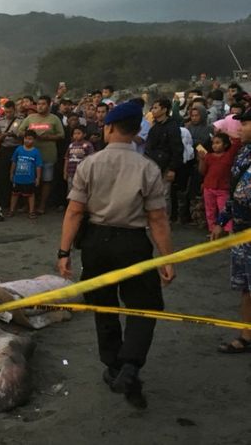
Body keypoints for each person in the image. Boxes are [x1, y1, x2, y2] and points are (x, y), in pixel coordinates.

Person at [58, 99, 175, 409]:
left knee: (104, 305)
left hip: (96, 242)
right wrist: (166, 258)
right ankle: (131, 364)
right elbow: (158, 219)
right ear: (137, 131)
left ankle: (113, 366)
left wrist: (63, 252)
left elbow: (74, 211)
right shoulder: (148, 167)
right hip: (134, 243)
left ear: (108, 128)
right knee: (144, 306)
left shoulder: (90, 164)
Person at [213, 108, 251, 353]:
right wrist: (221, 219)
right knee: (246, 287)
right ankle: (246, 335)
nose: (240, 127)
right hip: (241, 229)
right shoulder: (243, 152)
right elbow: (235, 190)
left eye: (246, 123)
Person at [17, 95, 65, 215]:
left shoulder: (54, 119)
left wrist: (48, 137)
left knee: (46, 181)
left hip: (48, 155)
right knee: (28, 180)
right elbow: (19, 131)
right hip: (29, 156)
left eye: (43, 104)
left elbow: (61, 135)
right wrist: (30, 136)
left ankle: (42, 205)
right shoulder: (30, 118)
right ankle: (28, 205)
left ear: (48, 105)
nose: (40, 106)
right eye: (38, 104)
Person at [144, 98, 184, 218]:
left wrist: (172, 168)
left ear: (164, 109)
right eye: (153, 108)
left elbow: (177, 148)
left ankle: (164, 220)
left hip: (166, 165)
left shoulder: (172, 127)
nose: (153, 110)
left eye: (156, 108)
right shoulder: (155, 127)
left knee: (164, 195)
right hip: (153, 164)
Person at [198, 132, 239, 235]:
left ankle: (229, 230)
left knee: (224, 210)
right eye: (213, 143)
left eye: (218, 143)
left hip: (223, 188)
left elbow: (237, 143)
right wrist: (202, 160)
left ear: (225, 145)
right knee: (210, 210)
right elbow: (202, 171)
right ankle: (212, 230)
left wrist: (226, 131)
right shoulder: (208, 156)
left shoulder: (228, 155)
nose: (214, 145)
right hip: (209, 187)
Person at [9, 130, 42, 218]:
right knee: (14, 194)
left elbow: (38, 166)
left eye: (30, 139)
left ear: (34, 140)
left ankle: (31, 211)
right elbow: (14, 162)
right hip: (17, 178)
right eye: (26, 138)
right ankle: (12, 210)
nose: (27, 141)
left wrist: (38, 178)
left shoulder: (36, 152)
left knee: (30, 195)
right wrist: (11, 173)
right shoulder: (18, 149)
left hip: (29, 178)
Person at [63, 126, 94, 194]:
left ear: (84, 134)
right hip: (71, 172)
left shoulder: (88, 145)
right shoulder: (71, 145)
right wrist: (65, 171)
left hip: (82, 173)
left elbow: (91, 158)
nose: (76, 135)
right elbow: (67, 158)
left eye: (78, 133)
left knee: (82, 191)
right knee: (70, 190)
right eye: (74, 133)